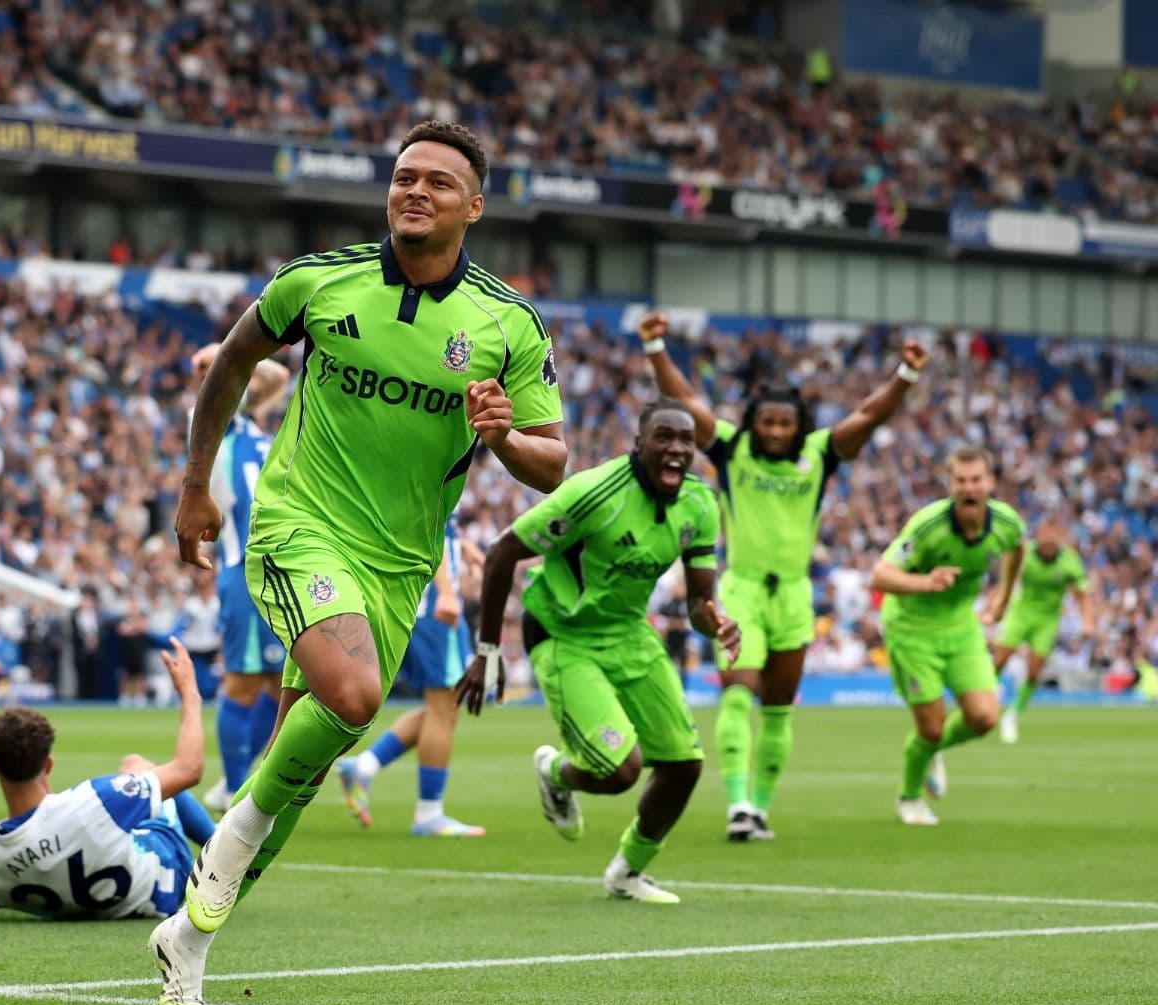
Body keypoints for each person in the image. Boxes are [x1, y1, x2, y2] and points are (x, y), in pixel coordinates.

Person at [153, 120, 566, 1005]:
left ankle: (188, 938)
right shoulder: (319, 280)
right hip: (298, 524)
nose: (414, 192)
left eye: (438, 184)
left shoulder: (507, 325)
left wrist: (502, 437)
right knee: (351, 694)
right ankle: (223, 851)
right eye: (404, 177)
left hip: (400, 564)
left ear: (476, 207)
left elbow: (554, 462)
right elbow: (232, 362)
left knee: (310, 748)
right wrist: (194, 486)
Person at [646, 312, 930, 842]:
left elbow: (869, 415)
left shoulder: (820, 454)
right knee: (736, 695)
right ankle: (735, 806)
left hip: (795, 595)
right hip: (743, 590)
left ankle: (758, 810)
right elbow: (687, 402)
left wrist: (906, 376)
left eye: (785, 423)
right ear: (755, 422)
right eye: (768, 422)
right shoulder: (733, 449)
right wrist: (657, 347)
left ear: (799, 425)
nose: (776, 431)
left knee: (777, 710)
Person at [458, 399, 739, 904]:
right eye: (664, 438)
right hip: (563, 633)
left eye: (686, 441)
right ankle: (553, 772)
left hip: (629, 632)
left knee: (684, 765)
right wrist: (487, 651)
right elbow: (503, 551)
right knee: (620, 771)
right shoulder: (594, 493)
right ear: (639, 443)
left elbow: (700, 601)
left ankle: (628, 872)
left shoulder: (700, 505)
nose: (677, 449)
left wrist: (713, 620)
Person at [0, 638, 215, 920]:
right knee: (136, 765)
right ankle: (223, 846)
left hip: (98, 890)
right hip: (165, 882)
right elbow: (189, 770)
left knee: (120, 818)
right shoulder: (95, 800)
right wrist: (190, 694)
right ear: (48, 764)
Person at [870, 445, 1023, 827]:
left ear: (990, 483)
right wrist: (925, 581)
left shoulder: (1006, 523)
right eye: (961, 481)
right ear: (950, 484)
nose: (969, 488)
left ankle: (931, 751)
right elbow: (880, 576)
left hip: (961, 626)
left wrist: (1003, 596)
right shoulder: (927, 525)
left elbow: (1017, 549)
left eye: (976, 480)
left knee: (985, 717)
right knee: (932, 725)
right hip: (912, 630)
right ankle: (909, 798)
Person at [188, 343, 290, 813]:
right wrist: (228, 352)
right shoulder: (208, 421)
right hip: (245, 569)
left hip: (280, 567)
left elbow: (279, 377)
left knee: (277, 681)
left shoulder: (251, 424)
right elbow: (219, 366)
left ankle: (244, 775)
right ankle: (232, 786)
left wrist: (243, 353)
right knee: (244, 681)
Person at [338, 511, 485, 836]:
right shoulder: (446, 459)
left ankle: (363, 767)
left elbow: (438, 525)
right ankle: (429, 813)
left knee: (442, 709)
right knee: (444, 708)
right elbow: (429, 526)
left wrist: (462, 546)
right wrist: (446, 590)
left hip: (423, 600)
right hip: (432, 602)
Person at [991, 520, 1095, 744]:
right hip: (1020, 614)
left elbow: (1081, 594)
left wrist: (1087, 621)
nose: (1047, 539)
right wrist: (997, 604)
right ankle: (985, 701)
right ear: (1037, 535)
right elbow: (1007, 581)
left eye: (1052, 534)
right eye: (1044, 534)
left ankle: (1012, 715)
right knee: (999, 661)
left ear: (1059, 537)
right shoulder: (1024, 553)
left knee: (1035, 672)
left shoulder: (1069, 561)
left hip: (1047, 621)